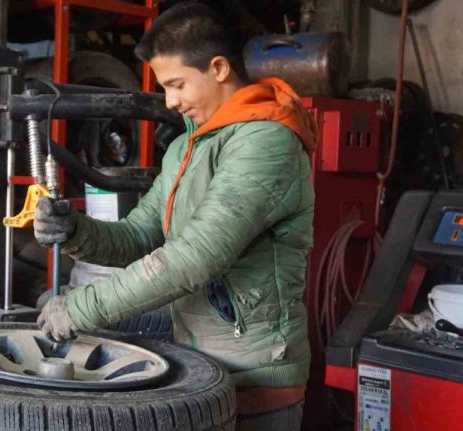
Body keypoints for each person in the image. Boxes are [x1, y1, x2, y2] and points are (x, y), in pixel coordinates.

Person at [35, 2, 317, 430]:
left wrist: (81, 308)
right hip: (201, 370)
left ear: (219, 68)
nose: (170, 101)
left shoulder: (267, 142)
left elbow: (196, 257)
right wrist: (76, 231)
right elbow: (140, 234)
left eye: (177, 84)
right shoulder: (188, 148)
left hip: (257, 374)